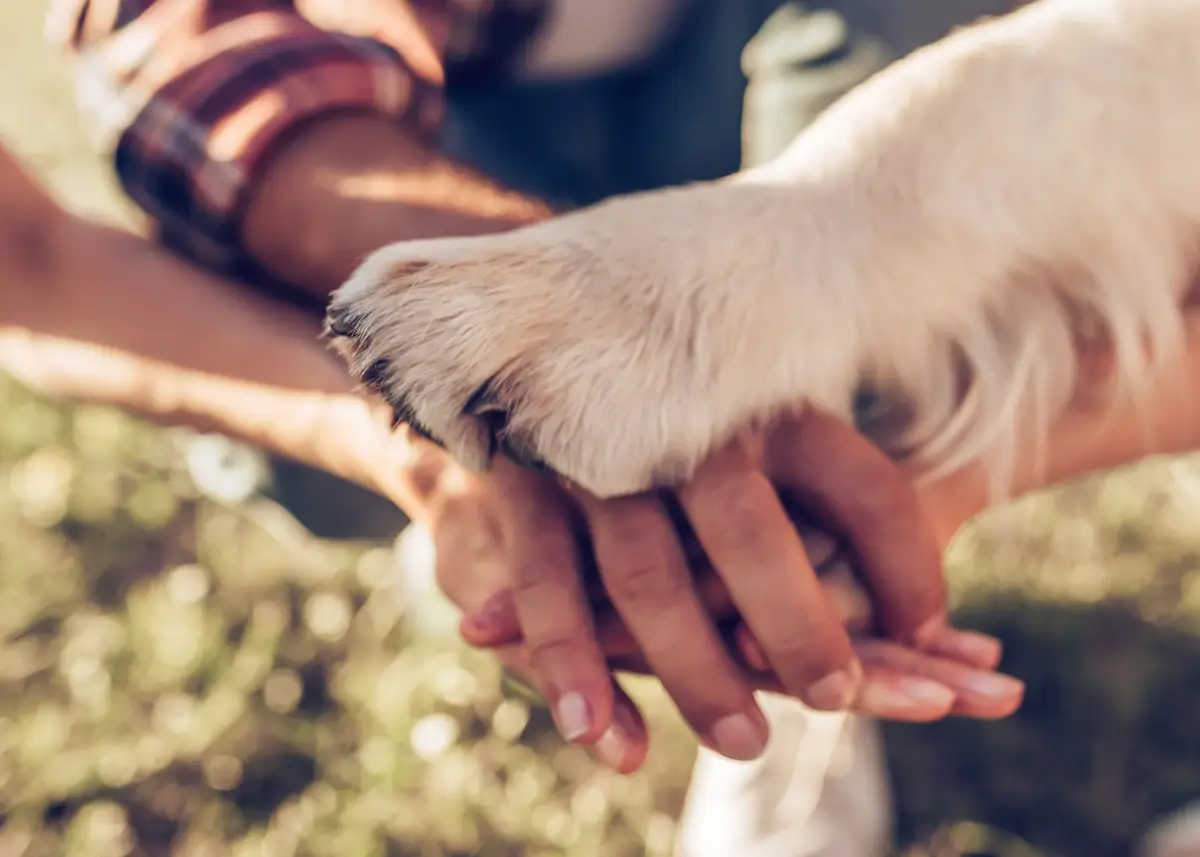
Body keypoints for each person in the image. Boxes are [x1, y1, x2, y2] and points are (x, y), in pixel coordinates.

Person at [14, 0, 1128, 854]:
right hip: (447, 138)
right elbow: (53, 238)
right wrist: (479, 407)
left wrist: (927, 471)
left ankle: (791, 610)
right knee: (323, 320)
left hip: (807, 113)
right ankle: (746, 583)